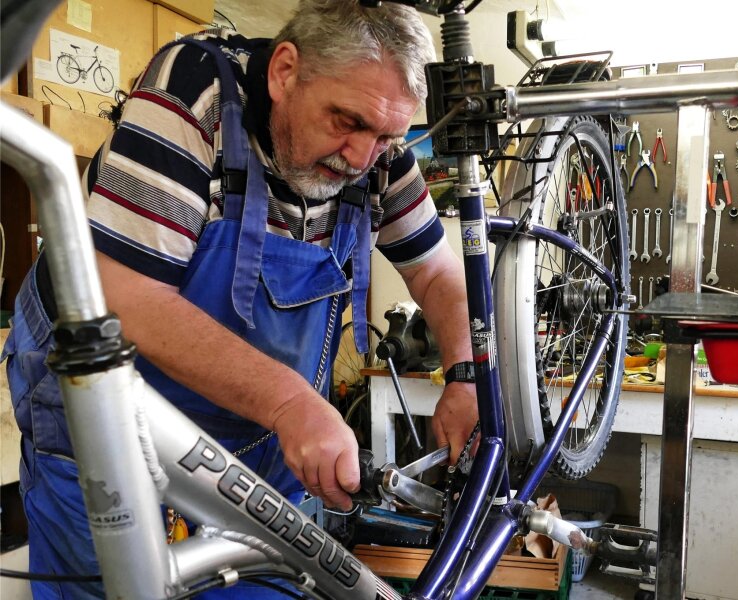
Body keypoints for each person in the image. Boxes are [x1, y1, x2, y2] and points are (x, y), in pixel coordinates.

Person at [2, 1, 478, 596]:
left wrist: (464, 372)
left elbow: (437, 275)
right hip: (108, 415)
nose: (362, 158)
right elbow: (125, 295)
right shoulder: (191, 95)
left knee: (270, 582)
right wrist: (289, 403)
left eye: (386, 136)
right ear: (283, 73)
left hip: (256, 430)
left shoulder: (376, 147)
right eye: (345, 122)